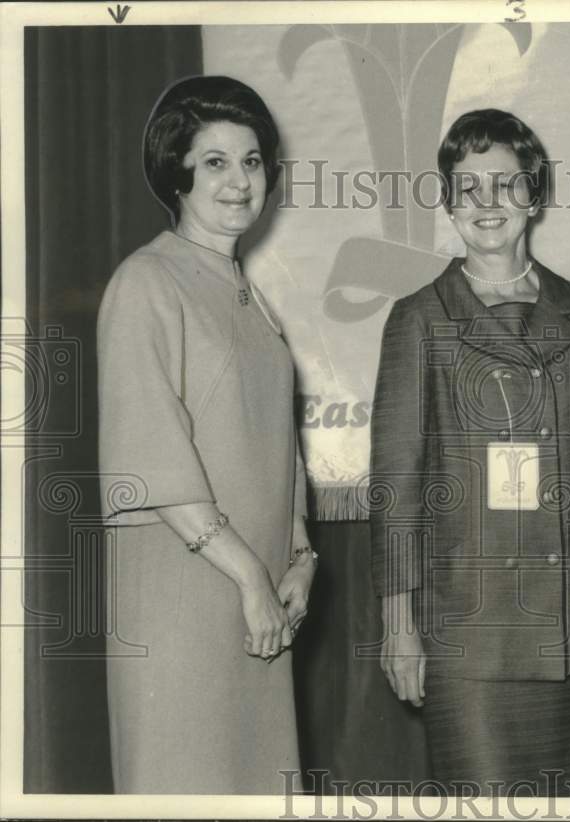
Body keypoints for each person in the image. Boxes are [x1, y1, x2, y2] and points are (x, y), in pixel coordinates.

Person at [369, 109, 570, 795]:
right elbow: (396, 485)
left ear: (533, 195)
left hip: (569, 636)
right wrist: (399, 626)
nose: (488, 204)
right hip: (467, 637)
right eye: (468, 186)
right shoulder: (420, 318)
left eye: (505, 184)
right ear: (448, 202)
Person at [98, 75, 315, 794]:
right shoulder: (147, 281)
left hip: (257, 598)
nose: (239, 181)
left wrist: (300, 558)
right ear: (178, 173)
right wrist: (250, 574)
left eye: (251, 161)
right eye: (215, 161)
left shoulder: (250, 297)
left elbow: (279, 447)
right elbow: (149, 455)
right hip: (187, 596)